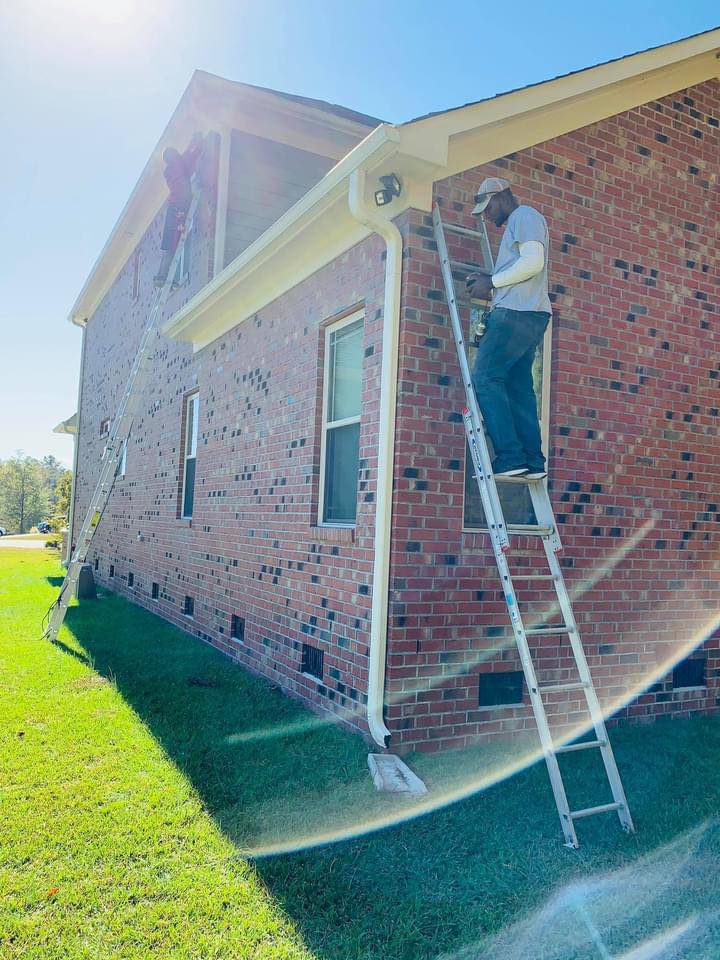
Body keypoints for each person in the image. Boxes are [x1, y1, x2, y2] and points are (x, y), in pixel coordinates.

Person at [465, 177, 551, 480]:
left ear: (501, 197)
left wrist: (491, 282)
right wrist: (491, 278)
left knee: (486, 378)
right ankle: (532, 461)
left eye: (488, 209)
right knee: (518, 386)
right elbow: (521, 268)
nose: (487, 217)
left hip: (515, 315)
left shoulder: (524, 216)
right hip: (529, 315)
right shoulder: (522, 221)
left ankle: (510, 457)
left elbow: (533, 263)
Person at [153, 132, 204, 287]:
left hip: (174, 208)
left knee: (170, 244)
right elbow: (190, 154)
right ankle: (165, 277)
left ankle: (162, 276)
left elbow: (188, 156)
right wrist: (196, 140)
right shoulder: (179, 165)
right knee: (173, 242)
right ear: (174, 155)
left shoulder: (170, 170)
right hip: (179, 206)